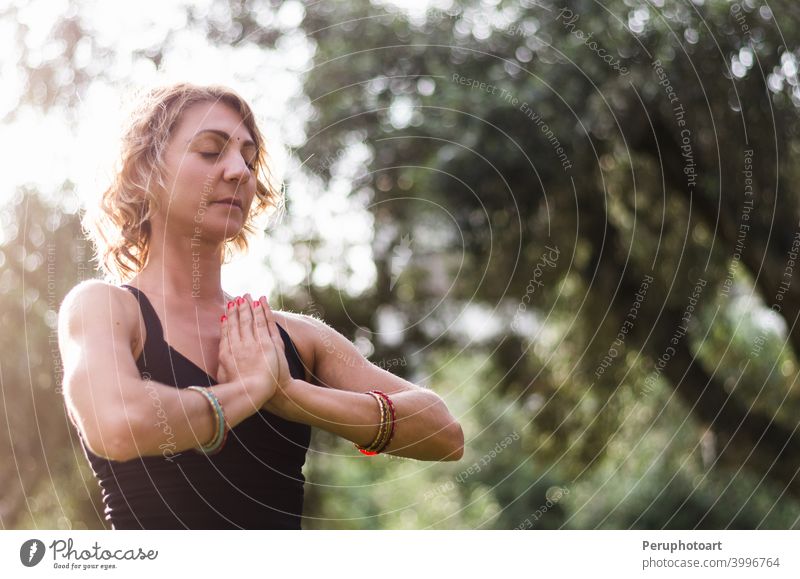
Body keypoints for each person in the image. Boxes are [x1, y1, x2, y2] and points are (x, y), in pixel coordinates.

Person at [57, 83, 464, 530]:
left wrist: (292, 396)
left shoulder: (295, 338)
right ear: (143, 173)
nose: (239, 171)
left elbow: (443, 433)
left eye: (249, 159)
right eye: (211, 152)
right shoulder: (103, 308)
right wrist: (245, 393)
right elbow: (117, 423)